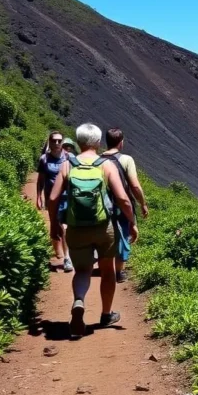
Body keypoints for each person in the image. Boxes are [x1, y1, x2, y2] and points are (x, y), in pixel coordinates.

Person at [48, 123, 138, 338]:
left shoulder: (68, 165)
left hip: (76, 228)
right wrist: (132, 222)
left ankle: (79, 300)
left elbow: (52, 198)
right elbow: (123, 199)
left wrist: (54, 224)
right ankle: (106, 314)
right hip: (103, 228)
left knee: (82, 271)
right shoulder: (105, 165)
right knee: (107, 270)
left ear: (78, 142)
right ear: (98, 143)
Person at [100, 127, 149, 284]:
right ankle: (119, 272)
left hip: (102, 205)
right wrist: (143, 204)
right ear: (121, 143)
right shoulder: (126, 160)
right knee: (123, 236)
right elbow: (134, 186)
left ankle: (104, 267)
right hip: (121, 205)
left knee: (105, 235)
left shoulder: (97, 160)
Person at [36, 130, 74, 273]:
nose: (57, 143)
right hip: (52, 198)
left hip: (68, 197)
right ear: (50, 142)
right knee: (55, 224)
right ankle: (59, 250)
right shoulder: (44, 159)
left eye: (59, 141)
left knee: (64, 227)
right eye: (54, 141)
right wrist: (39, 197)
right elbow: (40, 180)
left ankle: (67, 258)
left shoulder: (70, 158)